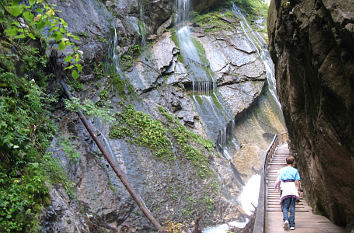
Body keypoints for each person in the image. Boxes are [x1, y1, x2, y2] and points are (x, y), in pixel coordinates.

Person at [274, 155, 301, 230]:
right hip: (292, 187)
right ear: (293, 162)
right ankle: (292, 224)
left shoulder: (282, 170)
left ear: (286, 162)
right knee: (292, 206)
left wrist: (279, 188)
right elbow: (298, 181)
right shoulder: (295, 170)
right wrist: (299, 190)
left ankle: (286, 220)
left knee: (285, 206)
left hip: (285, 188)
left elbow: (279, 180)